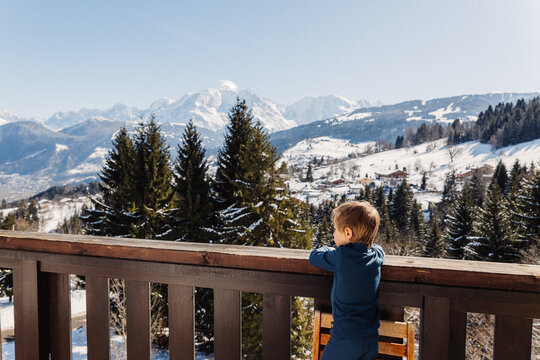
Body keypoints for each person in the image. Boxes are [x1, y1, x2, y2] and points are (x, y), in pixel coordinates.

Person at [309, 200, 384, 360]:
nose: (333, 234)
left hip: (345, 338)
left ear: (348, 233)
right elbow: (377, 248)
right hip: (370, 338)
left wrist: (329, 249)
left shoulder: (342, 256)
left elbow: (314, 257)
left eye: (335, 230)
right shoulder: (376, 255)